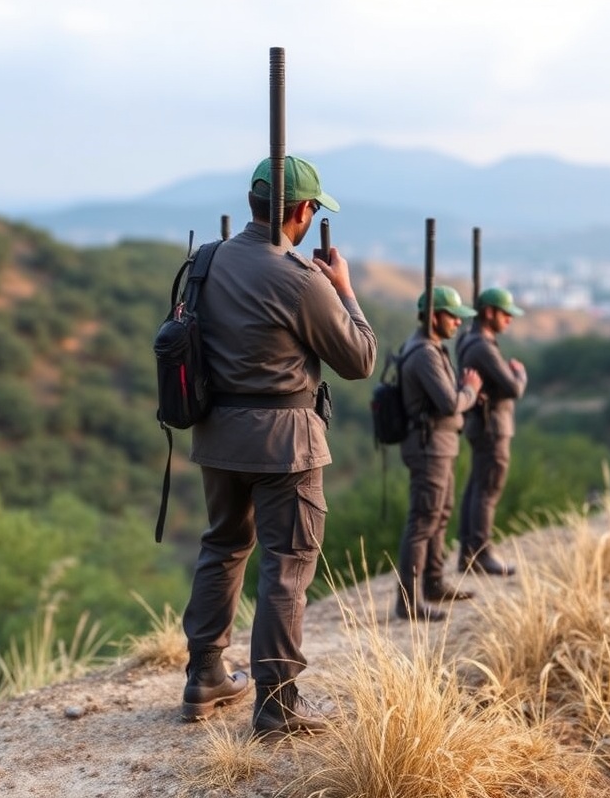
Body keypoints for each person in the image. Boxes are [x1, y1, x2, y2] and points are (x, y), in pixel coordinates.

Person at [179, 155, 376, 737]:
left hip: (216, 436)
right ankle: (277, 704)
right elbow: (360, 360)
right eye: (314, 210)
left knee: (223, 546)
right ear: (301, 211)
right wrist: (345, 291)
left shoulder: (204, 262)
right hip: (286, 444)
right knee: (287, 564)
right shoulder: (302, 279)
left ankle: (204, 676)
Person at [394, 285, 482, 622]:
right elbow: (449, 403)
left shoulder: (431, 348)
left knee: (440, 514)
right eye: (453, 317)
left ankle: (433, 582)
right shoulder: (425, 354)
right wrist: (470, 391)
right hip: (428, 447)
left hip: (439, 446)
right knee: (423, 520)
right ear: (433, 316)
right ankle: (409, 601)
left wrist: (463, 393)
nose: (458, 324)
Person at [455, 287, 528, 576]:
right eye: (505, 312)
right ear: (488, 312)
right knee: (487, 489)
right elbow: (512, 387)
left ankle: (468, 553)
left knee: (477, 488)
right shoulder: (483, 346)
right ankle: (481, 554)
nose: (509, 318)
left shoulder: (467, 341)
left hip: (479, 425)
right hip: (492, 426)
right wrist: (520, 374)